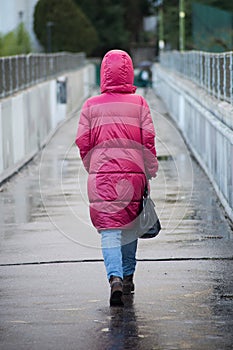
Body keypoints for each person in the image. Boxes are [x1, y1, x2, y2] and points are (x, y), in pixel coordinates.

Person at [75, 49, 158, 306]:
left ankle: (115, 279)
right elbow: (148, 140)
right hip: (133, 177)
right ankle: (129, 276)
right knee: (131, 227)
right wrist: (150, 168)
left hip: (102, 177)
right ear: (129, 71)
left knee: (110, 230)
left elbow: (83, 142)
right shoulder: (140, 104)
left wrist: (94, 166)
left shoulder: (90, 106)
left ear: (103, 74)